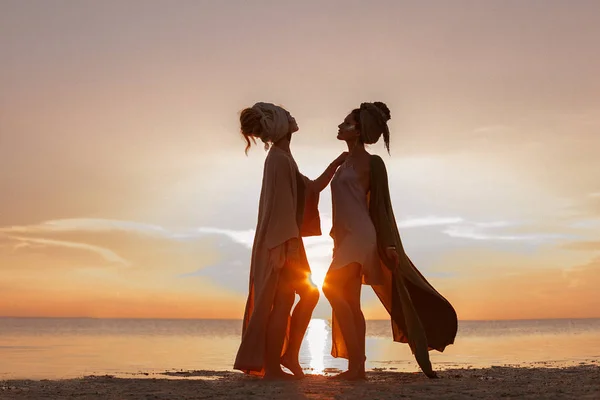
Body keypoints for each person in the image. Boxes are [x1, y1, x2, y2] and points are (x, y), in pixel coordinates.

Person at [322, 102, 458, 380]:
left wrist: (389, 245)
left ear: (358, 131)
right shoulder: (343, 163)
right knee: (347, 298)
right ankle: (356, 369)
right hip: (344, 239)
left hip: (361, 236)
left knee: (332, 289)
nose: (339, 125)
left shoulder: (372, 162)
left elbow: (382, 207)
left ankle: (357, 365)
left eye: (346, 122)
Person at [233, 102, 347, 379]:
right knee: (299, 297)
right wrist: (289, 247)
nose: (292, 117)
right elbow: (282, 207)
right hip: (283, 243)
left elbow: (311, 188)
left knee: (289, 299)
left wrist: (335, 164)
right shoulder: (278, 159)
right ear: (279, 125)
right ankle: (280, 362)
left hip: (285, 241)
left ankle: (283, 360)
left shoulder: (283, 157)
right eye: (285, 115)